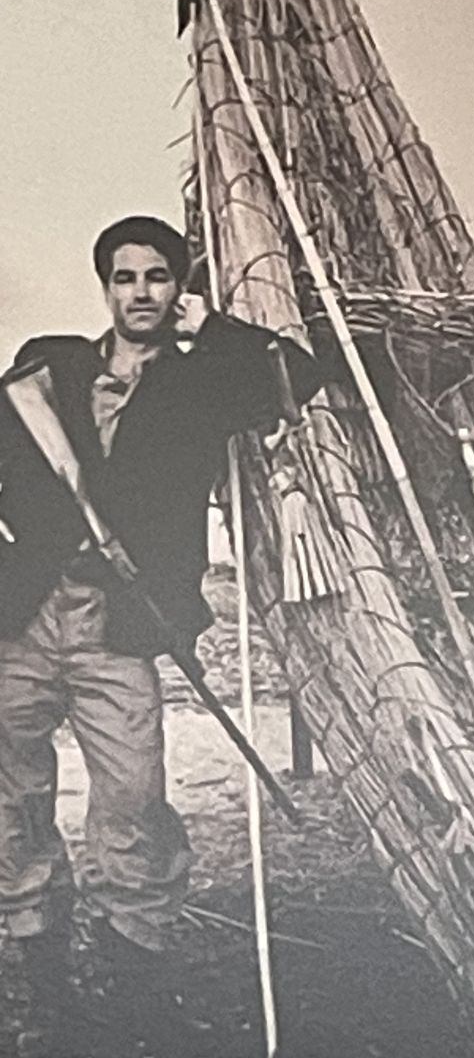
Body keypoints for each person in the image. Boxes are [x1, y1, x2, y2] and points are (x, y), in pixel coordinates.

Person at [0, 216, 324, 1055]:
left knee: (135, 803)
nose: (139, 293)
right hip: (23, 617)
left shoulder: (201, 382)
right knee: (10, 800)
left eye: (156, 277)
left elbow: (297, 380)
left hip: (123, 625)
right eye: (123, 277)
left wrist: (210, 328)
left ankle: (132, 988)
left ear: (176, 286)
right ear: (103, 286)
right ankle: (43, 986)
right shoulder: (52, 363)